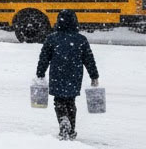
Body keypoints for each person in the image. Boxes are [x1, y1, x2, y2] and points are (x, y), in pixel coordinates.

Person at [36, 9, 100, 140]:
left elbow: (44, 58)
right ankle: (71, 130)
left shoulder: (52, 38)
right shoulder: (81, 39)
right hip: (74, 74)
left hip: (57, 73)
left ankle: (63, 121)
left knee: (59, 100)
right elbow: (89, 59)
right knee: (71, 101)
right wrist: (94, 76)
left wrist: (40, 73)